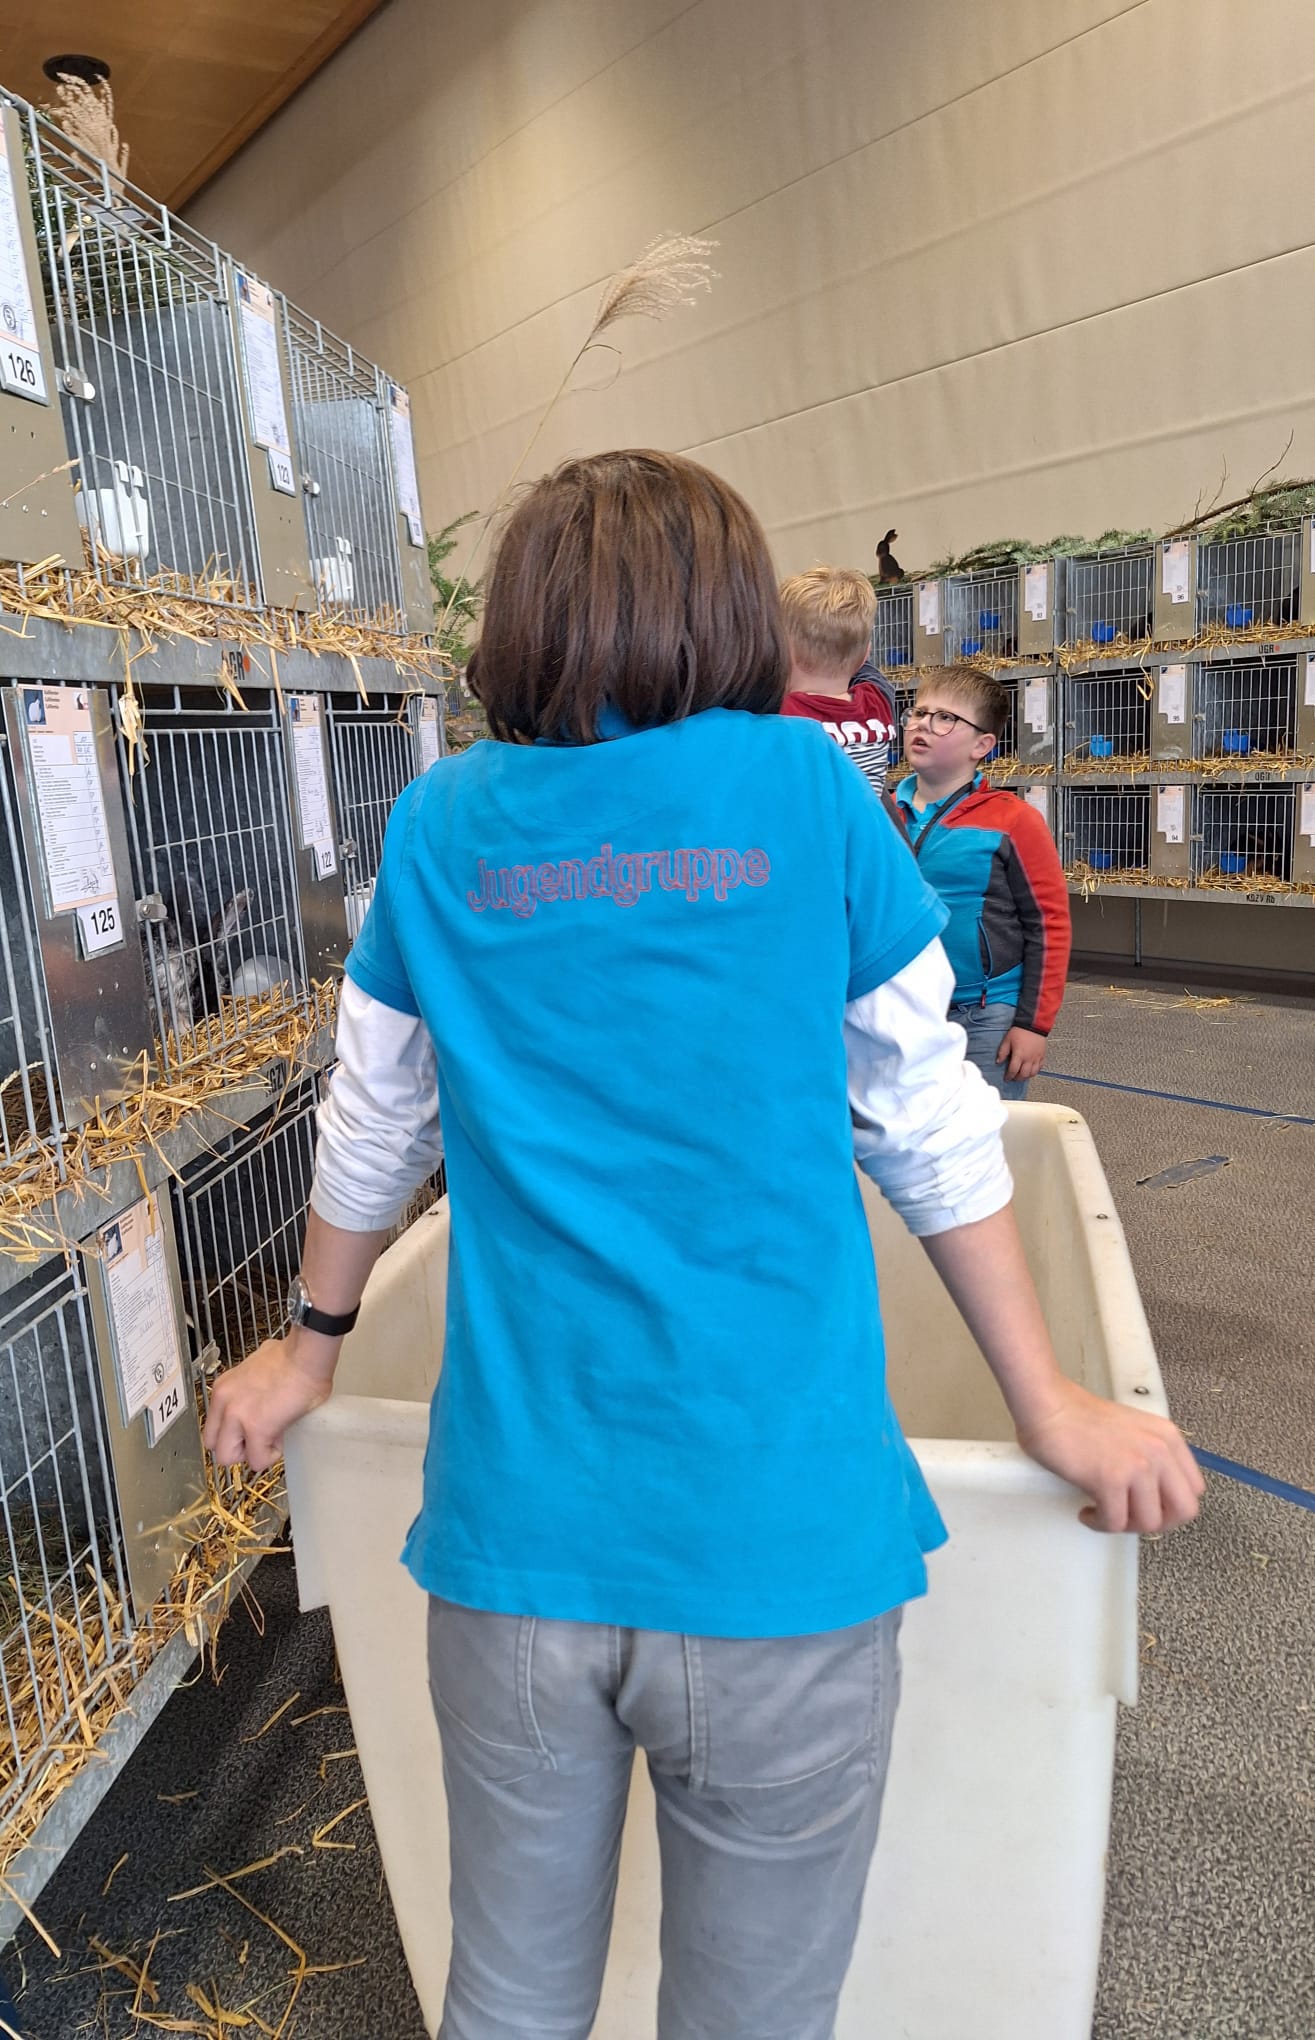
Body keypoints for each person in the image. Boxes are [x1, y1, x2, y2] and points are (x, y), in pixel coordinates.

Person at [205, 452, 1200, 2040]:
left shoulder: (442, 820)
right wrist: (1048, 1400)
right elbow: (924, 1124)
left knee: (507, 1996)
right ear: (727, 613)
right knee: (751, 2015)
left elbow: (375, 1122)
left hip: (516, 1542)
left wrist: (307, 1349)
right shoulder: (806, 788)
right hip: (775, 1546)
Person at [893, 665, 1072, 1099]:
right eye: (918, 712)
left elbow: (1048, 924)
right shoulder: (881, 811)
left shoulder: (1014, 820)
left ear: (982, 745)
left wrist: (1033, 1025)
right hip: (902, 1011)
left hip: (986, 1014)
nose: (923, 725)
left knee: (985, 1132)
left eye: (945, 718)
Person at [779, 565, 897, 792]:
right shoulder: (878, 702)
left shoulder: (781, 716)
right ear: (866, 655)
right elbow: (873, 674)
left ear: (780, 651)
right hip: (867, 814)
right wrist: (850, 643)